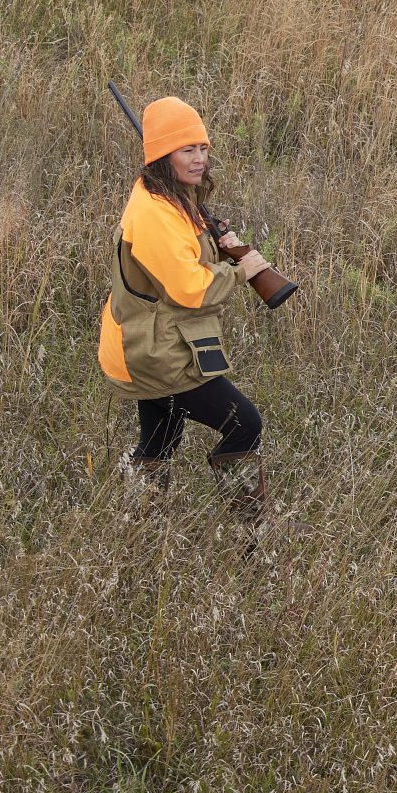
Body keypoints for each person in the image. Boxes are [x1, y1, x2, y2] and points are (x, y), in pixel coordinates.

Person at [96, 96, 272, 523]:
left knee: (159, 440)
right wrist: (243, 271)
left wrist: (220, 242)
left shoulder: (171, 198)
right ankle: (254, 534)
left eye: (203, 148)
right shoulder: (154, 214)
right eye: (186, 150)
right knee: (243, 422)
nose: (199, 159)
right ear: (161, 157)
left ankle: (137, 531)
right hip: (154, 354)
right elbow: (190, 290)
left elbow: (183, 258)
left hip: (148, 341)